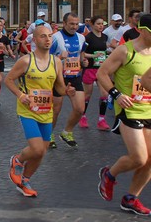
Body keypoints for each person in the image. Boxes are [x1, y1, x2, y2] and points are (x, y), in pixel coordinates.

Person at [6, 25, 75, 197]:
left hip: (46, 110)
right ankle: (18, 160)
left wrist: (67, 91)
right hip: (27, 110)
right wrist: (20, 95)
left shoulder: (56, 62)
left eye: (50, 36)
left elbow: (59, 87)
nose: (48, 39)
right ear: (35, 40)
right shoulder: (26, 61)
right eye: (43, 36)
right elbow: (8, 80)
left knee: (42, 151)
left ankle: (25, 180)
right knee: (36, 149)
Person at [97, 13, 151, 215]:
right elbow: (102, 73)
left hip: (149, 109)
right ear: (143, 30)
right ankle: (109, 175)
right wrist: (116, 94)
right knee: (139, 158)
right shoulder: (124, 51)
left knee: (150, 160)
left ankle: (131, 198)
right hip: (129, 109)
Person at [49, 12, 87, 148]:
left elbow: (81, 54)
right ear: (64, 24)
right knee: (56, 110)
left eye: (77, 24)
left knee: (79, 109)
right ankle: (49, 134)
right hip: (58, 78)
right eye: (71, 24)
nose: (74, 26)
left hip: (75, 76)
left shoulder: (81, 38)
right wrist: (59, 57)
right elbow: (46, 59)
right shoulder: (55, 38)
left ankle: (67, 132)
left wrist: (84, 62)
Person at [81, 16, 111, 131]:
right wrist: (94, 56)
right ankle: (83, 116)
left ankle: (101, 120)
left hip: (101, 69)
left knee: (104, 94)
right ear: (92, 25)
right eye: (98, 24)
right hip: (89, 68)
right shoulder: (88, 38)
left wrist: (107, 54)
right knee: (87, 95)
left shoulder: (104, 37)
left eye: (102, 24)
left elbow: (104, 50)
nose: (101, 26)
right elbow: (82, 53)